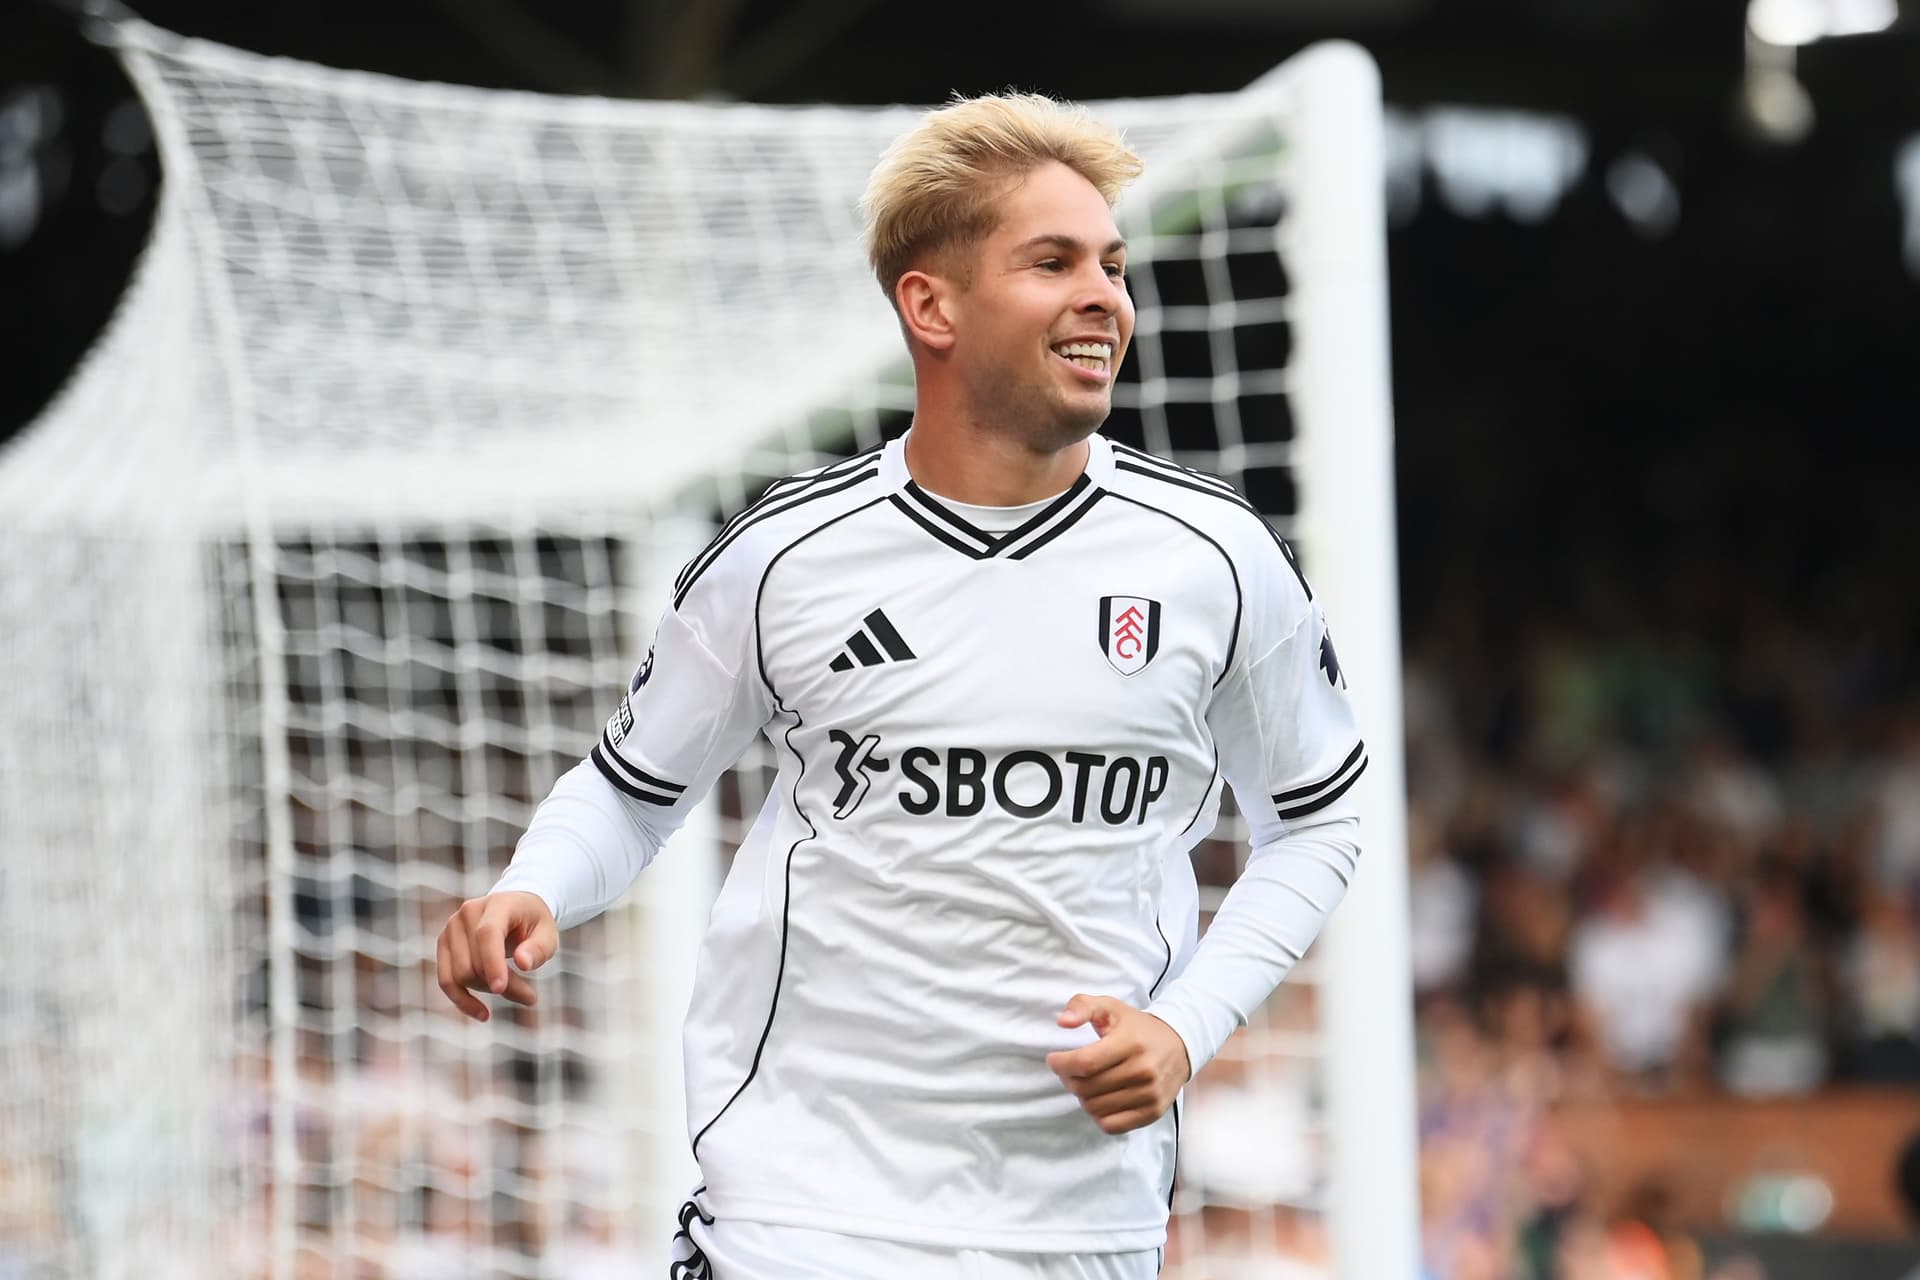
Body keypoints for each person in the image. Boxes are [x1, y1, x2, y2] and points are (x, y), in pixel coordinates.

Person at [436, 91, 1368, 1279]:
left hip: (1082, 1223)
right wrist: (536, 886)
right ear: (931, 304)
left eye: (1114, 266)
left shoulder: (1217, 558)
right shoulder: (785, 555)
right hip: (801, 1213)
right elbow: (631, 790)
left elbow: (1320, 819)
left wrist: (1187, 1027)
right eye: (1053, 261)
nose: (1105, 297)